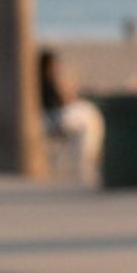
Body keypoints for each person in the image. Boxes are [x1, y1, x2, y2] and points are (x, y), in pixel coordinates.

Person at [38, 47, 105, 183]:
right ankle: (89, 158)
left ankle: (88, 157)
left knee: (88, 114)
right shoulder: (47, 82)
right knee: (89, 113)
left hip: (50, 118)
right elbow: (61, 102)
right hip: (54, 118)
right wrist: (68, 91)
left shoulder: (36, 81)